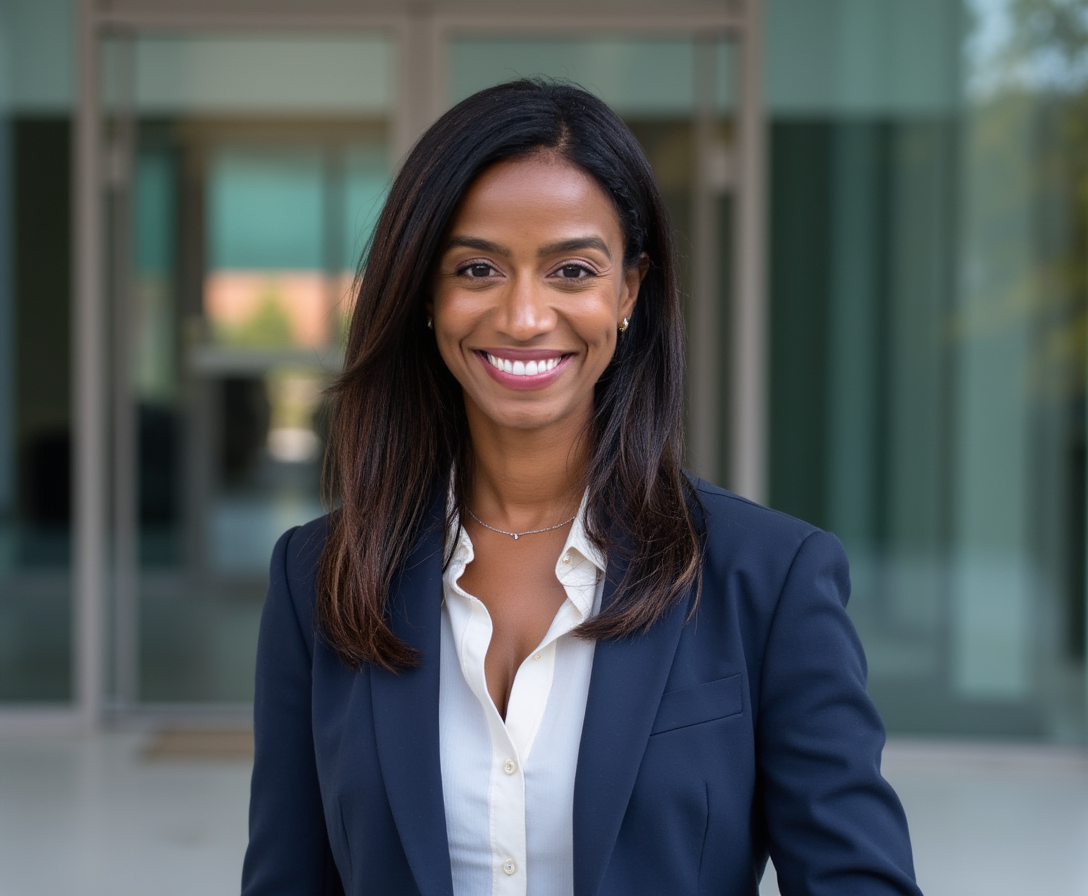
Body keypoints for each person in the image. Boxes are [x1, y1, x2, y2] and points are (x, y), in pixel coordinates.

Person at [241, 79, 923, 896]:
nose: (525, 316)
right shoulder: (317, 579)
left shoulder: (769, 578)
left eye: (571, 269)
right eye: (478, 267)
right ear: (428, 294)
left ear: (628, 291)